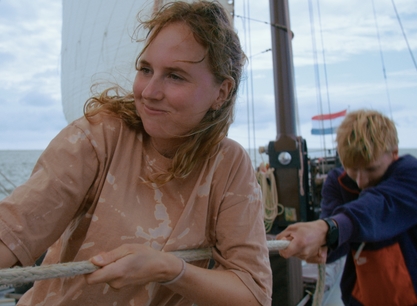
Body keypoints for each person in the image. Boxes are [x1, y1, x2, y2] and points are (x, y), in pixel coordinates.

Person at [0, 1, 272, 305]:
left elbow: (254, 294)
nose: (149, 91)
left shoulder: (228, 165)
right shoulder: (100, 136)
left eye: (175, 76)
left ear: (221, 92)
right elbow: (12, 234)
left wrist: (168, 269)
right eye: (145, 69)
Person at [276, 109, 417, 305]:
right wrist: (322, 246)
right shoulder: (336, 182)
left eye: (371, 169)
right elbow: (338, 244)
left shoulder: (411, 174)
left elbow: (379, 205)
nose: (360, 182)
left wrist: (327, 228)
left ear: (394, 154)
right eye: (352, 169)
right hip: (362, 297)